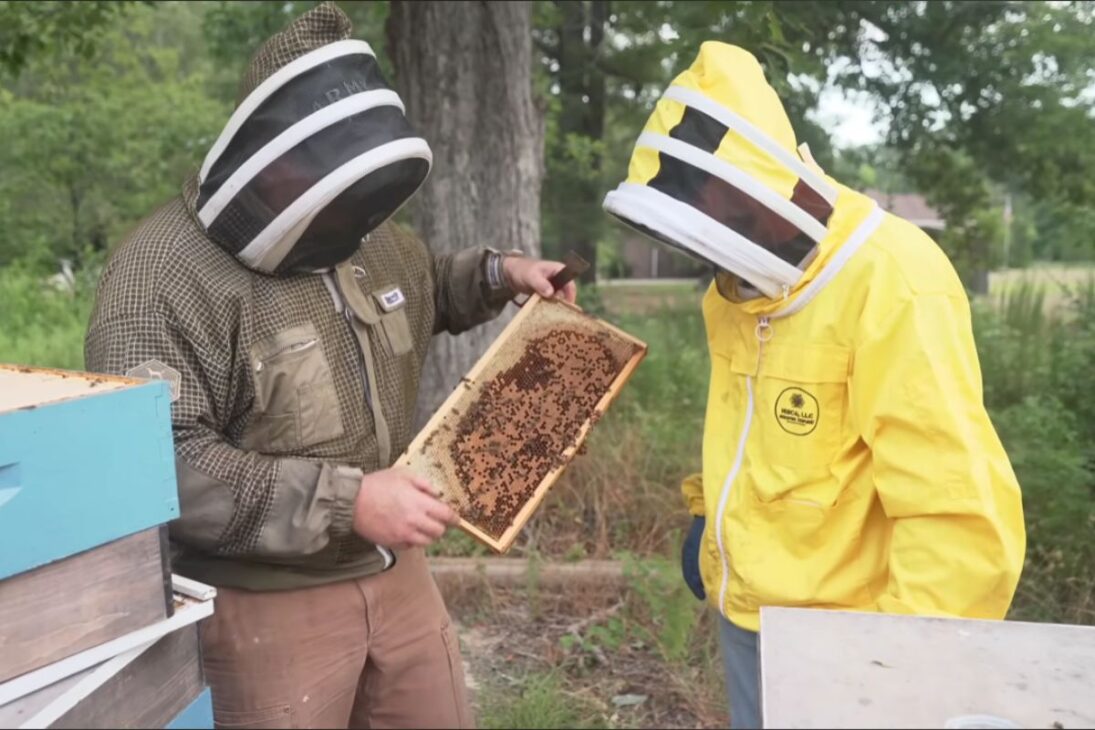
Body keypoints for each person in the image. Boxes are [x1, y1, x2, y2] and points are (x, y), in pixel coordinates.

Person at [85, 4, 574, 729]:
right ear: (269, 153)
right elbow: (160, 462)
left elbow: (421, 287)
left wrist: (501, 274)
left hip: (399, 579)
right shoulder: (158, 272)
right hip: (261, 608)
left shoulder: (363, 232)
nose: (349, 215)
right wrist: (348, 501)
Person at [603, 42, 1025, 729]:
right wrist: (711, 520)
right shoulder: (739, 287)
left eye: (734, 219)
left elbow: (957, 514)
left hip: (853, 637)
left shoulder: (892, 280)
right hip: (748, 613)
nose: (722, 241)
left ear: (774, 181)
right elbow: (745, 430)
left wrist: (896, 670)